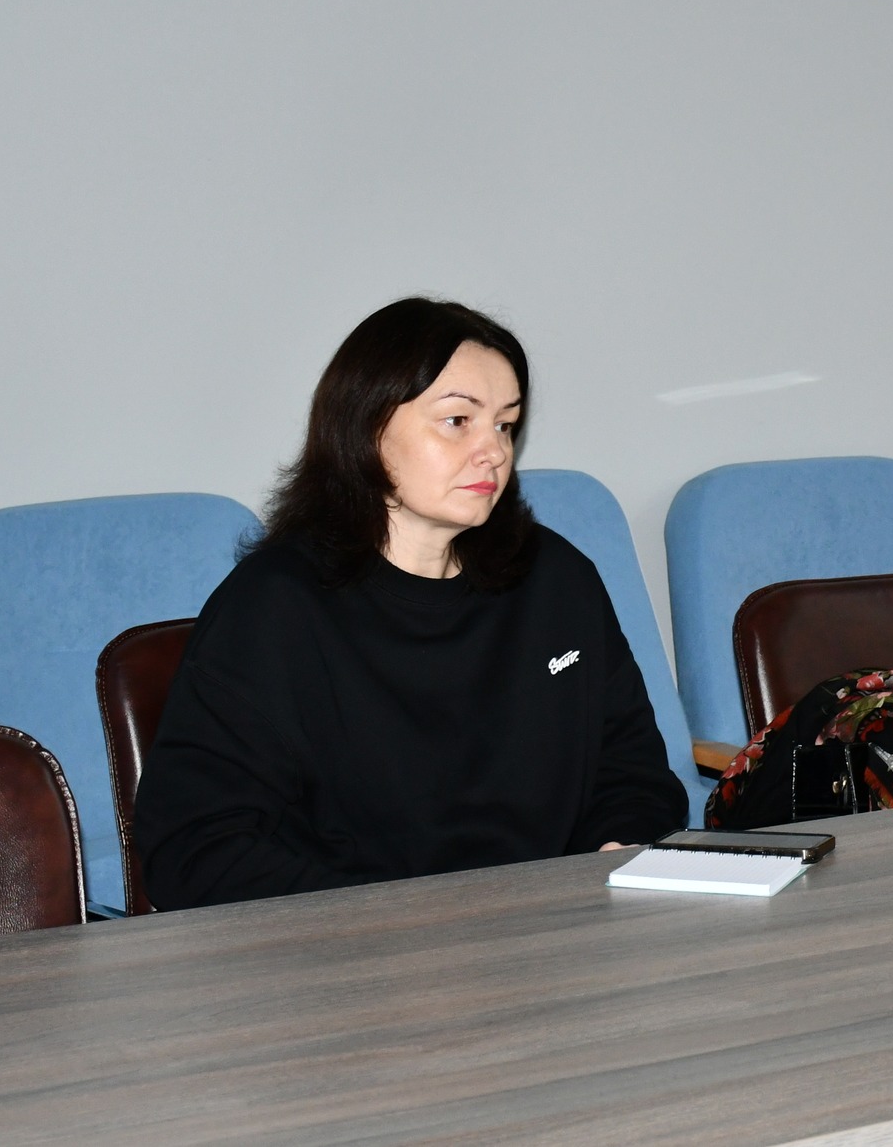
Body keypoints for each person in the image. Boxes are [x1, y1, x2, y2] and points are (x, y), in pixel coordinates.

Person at [134, 297, 687, 910]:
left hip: (551, 930)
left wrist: (616, 848)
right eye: (458, 421)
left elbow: (633, 773)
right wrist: (398, 918)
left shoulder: (556, 579)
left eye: (505, 424)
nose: (494, 450)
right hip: (355, 948)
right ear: (367, 428)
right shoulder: (273, 609)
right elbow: (194, 849)